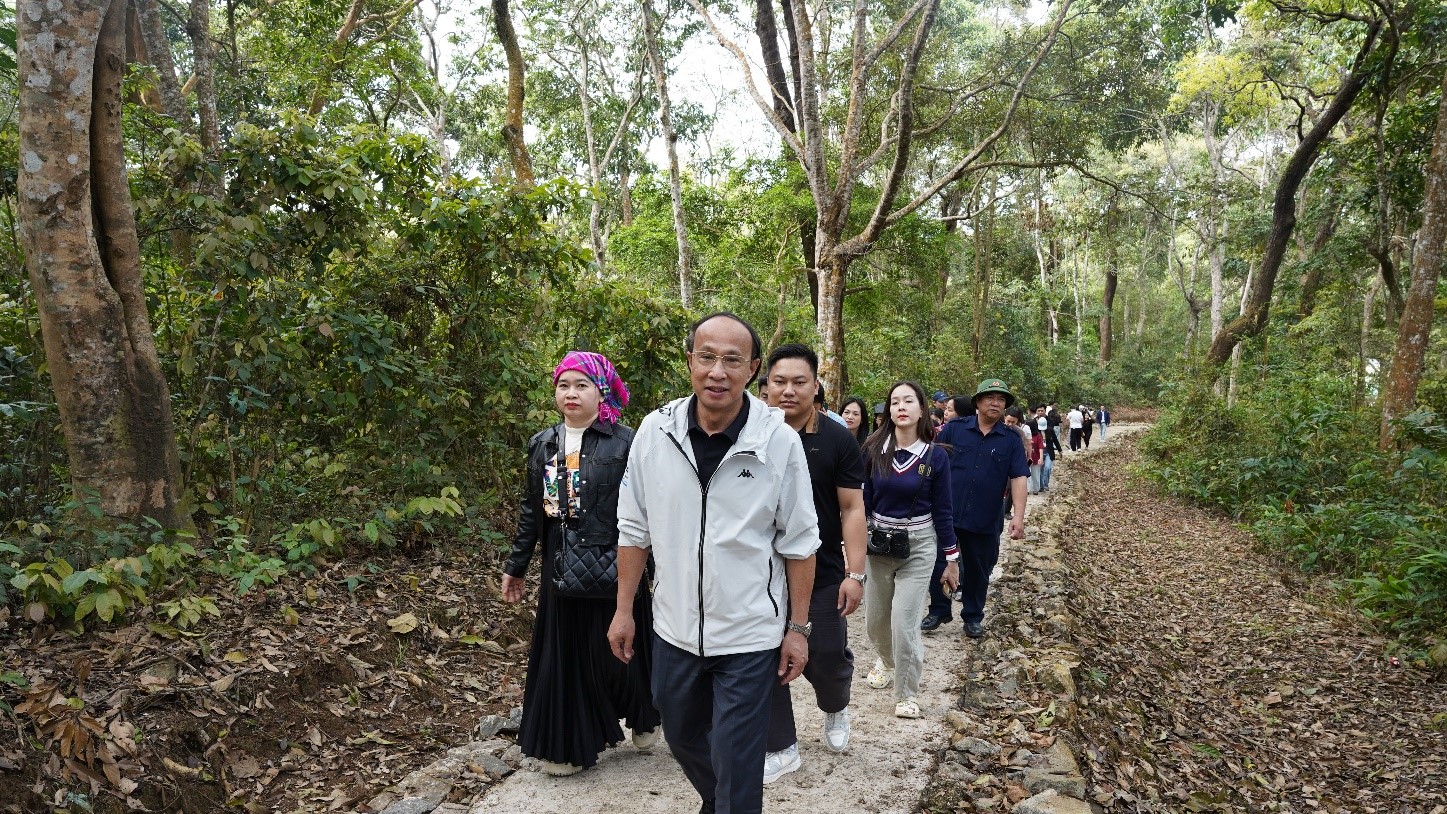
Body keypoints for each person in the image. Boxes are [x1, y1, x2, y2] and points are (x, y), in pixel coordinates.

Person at [608, 313, 819, 814]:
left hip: (750, 633)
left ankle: (731, 802)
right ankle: (720, 799)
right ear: (690, 362)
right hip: (674, 627)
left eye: (731, 360)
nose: (717, 372)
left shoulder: (778, 441)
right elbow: (634, 529)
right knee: (681, 734)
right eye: (706, 357)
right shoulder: (655, 433)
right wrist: (623, 610)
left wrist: (798, 629)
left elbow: (800, 542)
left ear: (753, 369)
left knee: (737, 756)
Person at [503, 351, 660, 777]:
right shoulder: (543, 443)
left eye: (581, 385)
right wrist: (517, 565)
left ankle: (644, 713)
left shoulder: (627, 442)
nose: (570, 393)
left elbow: (651, 508)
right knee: (567, 653)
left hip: (618, 557)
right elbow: (532, 509)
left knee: (623, 646)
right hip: (560, 561)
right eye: (563, 385)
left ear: (601, 391)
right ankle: (570, 747)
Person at [761, 344, 868, 783]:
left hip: (821, 572)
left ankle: (835, 705)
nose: (788, 390)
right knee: (762, 659)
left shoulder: (837, 439)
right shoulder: (750, 434)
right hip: (761, 574)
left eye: (799, 382)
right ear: (765, 386)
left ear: (816, 386)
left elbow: (852, 509)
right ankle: (780, 744)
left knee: (823, 654)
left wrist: (855, 573)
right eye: (779, 382)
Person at [862, 381, 958, 719]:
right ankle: (887, 660)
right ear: (888, 411)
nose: (901, 407)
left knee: (903, 622)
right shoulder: (873, 450)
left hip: (918, 546)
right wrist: (851, 547)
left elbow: (943, 511)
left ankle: (906, 693)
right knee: (875, 622)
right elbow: (863, 502)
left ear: (921, 409)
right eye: (895, 402)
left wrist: (951, 559)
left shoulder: (936, 456)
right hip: (877, 546)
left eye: (908, 401)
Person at [929, 379, 1029, 639]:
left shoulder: (1011, 439)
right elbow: (934, 463)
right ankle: (938, 610)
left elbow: (1019, 477)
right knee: (938, 562)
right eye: (990, 398)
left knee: (978, 569)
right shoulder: (954, 429)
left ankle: (972, 616)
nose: (995, 403)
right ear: (977, 402)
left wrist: (1018, 516)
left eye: (1001, 399)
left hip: (985, 517)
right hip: (947, 513)